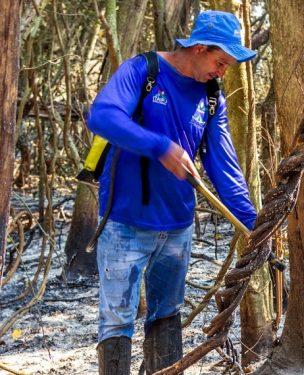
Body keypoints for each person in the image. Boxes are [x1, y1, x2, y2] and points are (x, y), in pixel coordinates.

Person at [86, 10, 257, 375]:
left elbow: (224, 168)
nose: (223, 71)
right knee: (117, 320)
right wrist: (160, 147)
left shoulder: (212, 97)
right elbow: (101, 115)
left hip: (178, 228)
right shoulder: (143, 71)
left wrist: (254, 226)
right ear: (197, 48)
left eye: (228, 65)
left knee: (167, 315)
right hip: (124, 223)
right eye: (220, 61)